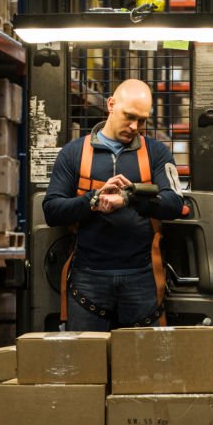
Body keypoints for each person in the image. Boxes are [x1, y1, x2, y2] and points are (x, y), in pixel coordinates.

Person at [43, 79, 185, 330]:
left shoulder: (156, 153)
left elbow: (174, 203)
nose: (135, 127)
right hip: (88, 277)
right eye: (129, 117)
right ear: (111, 104)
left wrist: (129, 198)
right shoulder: (74, 153)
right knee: (89, 361)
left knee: (141, 364)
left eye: (141, 121)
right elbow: (52, 210)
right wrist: (93, 200)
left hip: (141, 276)